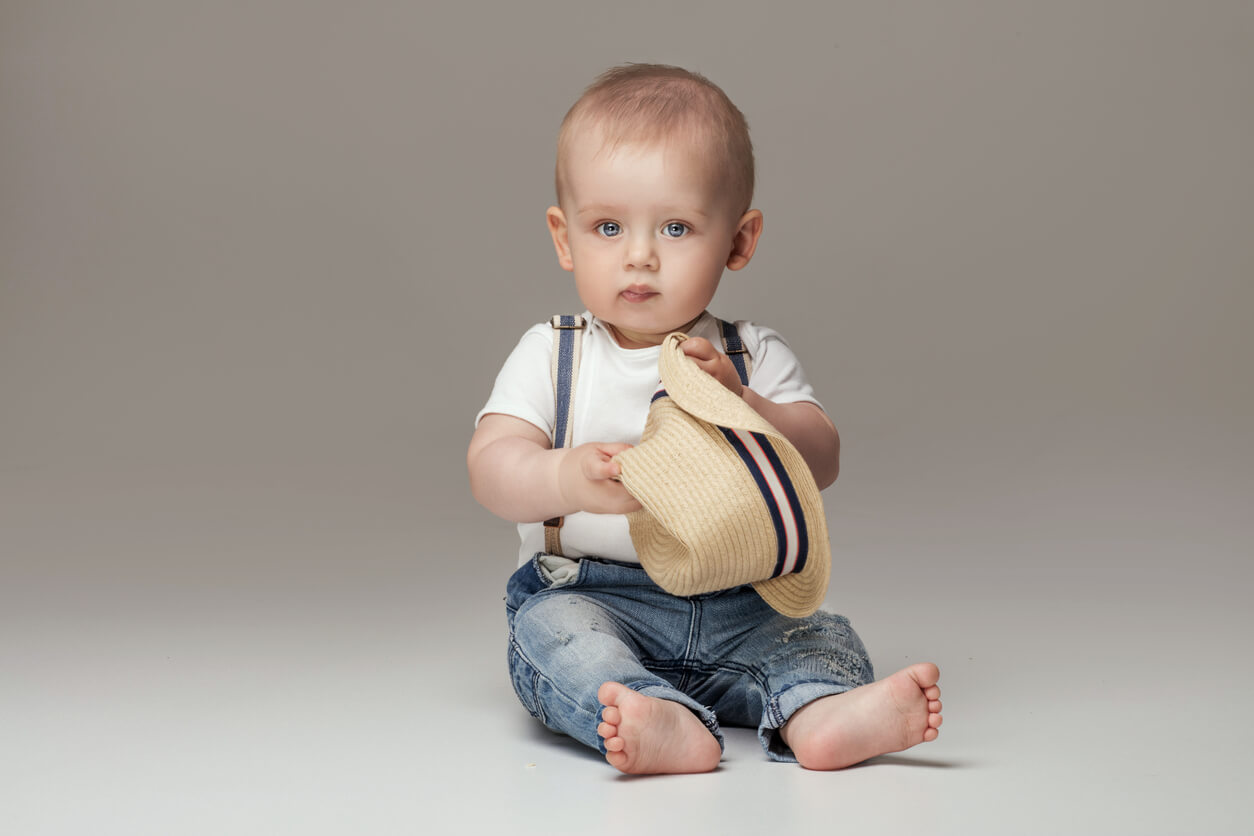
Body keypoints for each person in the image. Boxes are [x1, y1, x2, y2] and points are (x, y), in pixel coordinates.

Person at [467, 63, 942, 774]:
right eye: (607, 226)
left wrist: (745, 405)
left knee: (812, 634)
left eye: (677, 227)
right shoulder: (553, 354)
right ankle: (652, 714)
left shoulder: (747, 355)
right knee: (553, 638)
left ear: (739, 242)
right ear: (565, 239)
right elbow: (491, 466)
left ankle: (820, 710)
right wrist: (565, 476)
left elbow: (823, 460)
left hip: (739, 601)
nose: (640, 256)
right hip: (594, 593)